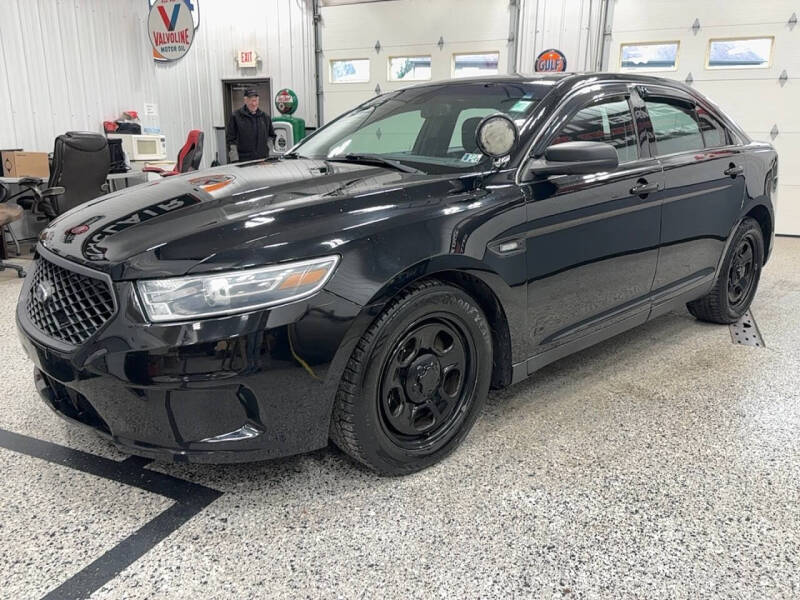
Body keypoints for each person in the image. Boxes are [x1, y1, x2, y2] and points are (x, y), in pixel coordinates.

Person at [226, 89, 276, 162]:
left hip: (262, 160)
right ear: (245, 100)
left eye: (256, 100)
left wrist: (269, 154)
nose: (254, 104)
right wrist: (234, 160)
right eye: (251, 101)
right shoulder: (236, 116)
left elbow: (271, 136)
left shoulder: (265, 117)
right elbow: (230, 140)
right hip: (243, 161)